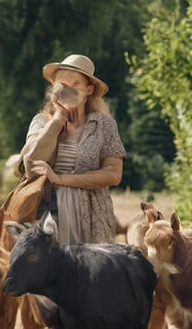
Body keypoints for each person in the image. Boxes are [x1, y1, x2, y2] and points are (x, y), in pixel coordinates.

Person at [19, 53, 125, 244]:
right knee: (49, 270)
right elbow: (31, 165)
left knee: (92, 269)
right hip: (48, 215)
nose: (67, 90)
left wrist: (61, 179)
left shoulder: (104, 124)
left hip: (93, 216)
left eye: (75, 84)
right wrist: (58, 120)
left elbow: (114, 174)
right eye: (62, 85)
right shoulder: (42, 122)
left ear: (89, 89)